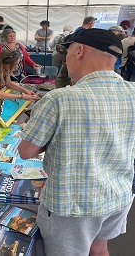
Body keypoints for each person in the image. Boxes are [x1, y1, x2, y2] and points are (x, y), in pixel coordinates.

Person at [18, 28, 135, 256]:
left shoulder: (59, 99)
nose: (65, 59)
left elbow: (25, 151)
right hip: (118, 196)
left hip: (73, 205)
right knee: (100, 248)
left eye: (67, 52)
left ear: (79, 51)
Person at [55, 15, 97, 88]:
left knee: (63, 78)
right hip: (76, 60)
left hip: (70, 58)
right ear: (91, 23)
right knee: (70, 79)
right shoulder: (84, 33)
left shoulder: (76, 31)